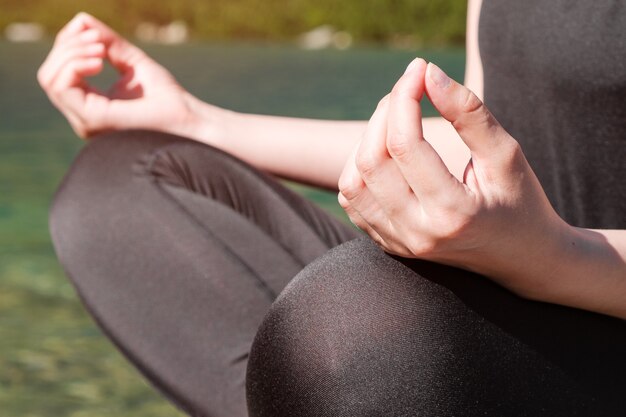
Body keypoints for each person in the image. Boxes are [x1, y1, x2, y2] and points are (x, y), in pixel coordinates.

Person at [38, 0, 625, 416]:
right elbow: (489, 135)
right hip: (504, 293)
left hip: (596, 317)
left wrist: (553, 256)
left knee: (350, 336)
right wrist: (197, 123)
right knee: (120, 189)